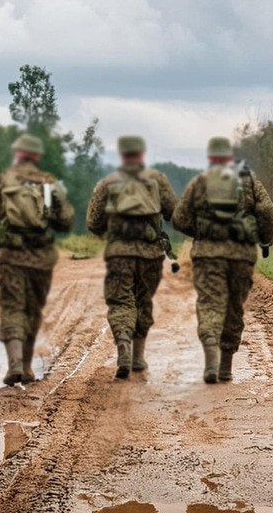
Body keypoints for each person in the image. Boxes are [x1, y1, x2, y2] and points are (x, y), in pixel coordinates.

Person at [172, 137, 273, 384]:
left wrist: (201, 233)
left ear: (210, 158)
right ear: (229, 157)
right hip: (241, 256)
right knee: (233, 306)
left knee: (210, 303)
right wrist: (264, 239)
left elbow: (179, 218)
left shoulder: (200, 182)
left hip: (208, 256)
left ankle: (210, 362)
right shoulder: (249, 181)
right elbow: (267, 212)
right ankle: (226, 366)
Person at [0, 133, 75, 386]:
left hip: (11, 256)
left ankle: (13, 365)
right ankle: (26, 366)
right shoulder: (48, 183)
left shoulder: (0, 182)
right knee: (32, 309)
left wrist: (2, 242)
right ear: (36, 156)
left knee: (13, 307)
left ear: (17, 153)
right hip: (40, 258)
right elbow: (65, 220)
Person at [86, 135, 178, 378]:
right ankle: (138, 357)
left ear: (122, 155)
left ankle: (123, 348)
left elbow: (93, 222)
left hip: (120, 254)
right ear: (142, 154)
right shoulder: (158, 180)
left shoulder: (107, 183)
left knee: (121, 303)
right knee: (143, 301)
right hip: (151, 255)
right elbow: (173, 213)